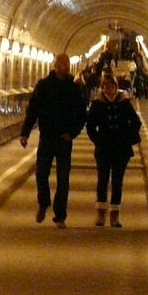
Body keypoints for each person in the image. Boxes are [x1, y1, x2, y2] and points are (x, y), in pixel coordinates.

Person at [20, 53, 87, 227]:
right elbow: (33, 110)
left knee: (63, 179)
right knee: (41, 173)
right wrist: (25, 133)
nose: (64, 66)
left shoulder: (74, 88)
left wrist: (72, 133)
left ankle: (60, 215)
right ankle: (43, 202)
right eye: (61, 63)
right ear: (55, 65)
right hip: (47, 137)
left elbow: (82, 114)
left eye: (66, 63)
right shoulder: (43, 86)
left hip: (64, 139)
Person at [85, 72, 143, 227]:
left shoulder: (124, 102)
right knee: (102, 180)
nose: (107, 88)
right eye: (104, 86)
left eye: (110, 85)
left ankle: (115, 215)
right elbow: (90, 126)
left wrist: (128, 137)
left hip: (121, 149)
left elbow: (136, 122)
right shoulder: (98, 103)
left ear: (115, 86)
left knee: (117, 181)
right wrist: (98, 139)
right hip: (103, 148)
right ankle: (101, 214)